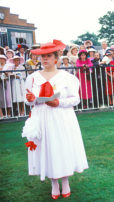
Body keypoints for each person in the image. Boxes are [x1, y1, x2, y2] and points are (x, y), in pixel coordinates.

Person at [22, 39, 88, 199]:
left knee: (61, 146)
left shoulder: (67, 77)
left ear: (56, 58)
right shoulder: (32, 78)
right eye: (42, 56)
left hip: (60, 116)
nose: (45, 59)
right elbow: (27, 100)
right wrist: (31, 99)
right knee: (46, 147)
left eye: (48, 56)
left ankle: (65, 181)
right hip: (42, 117)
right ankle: (53, 183)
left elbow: (75, 99)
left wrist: (58, 102)